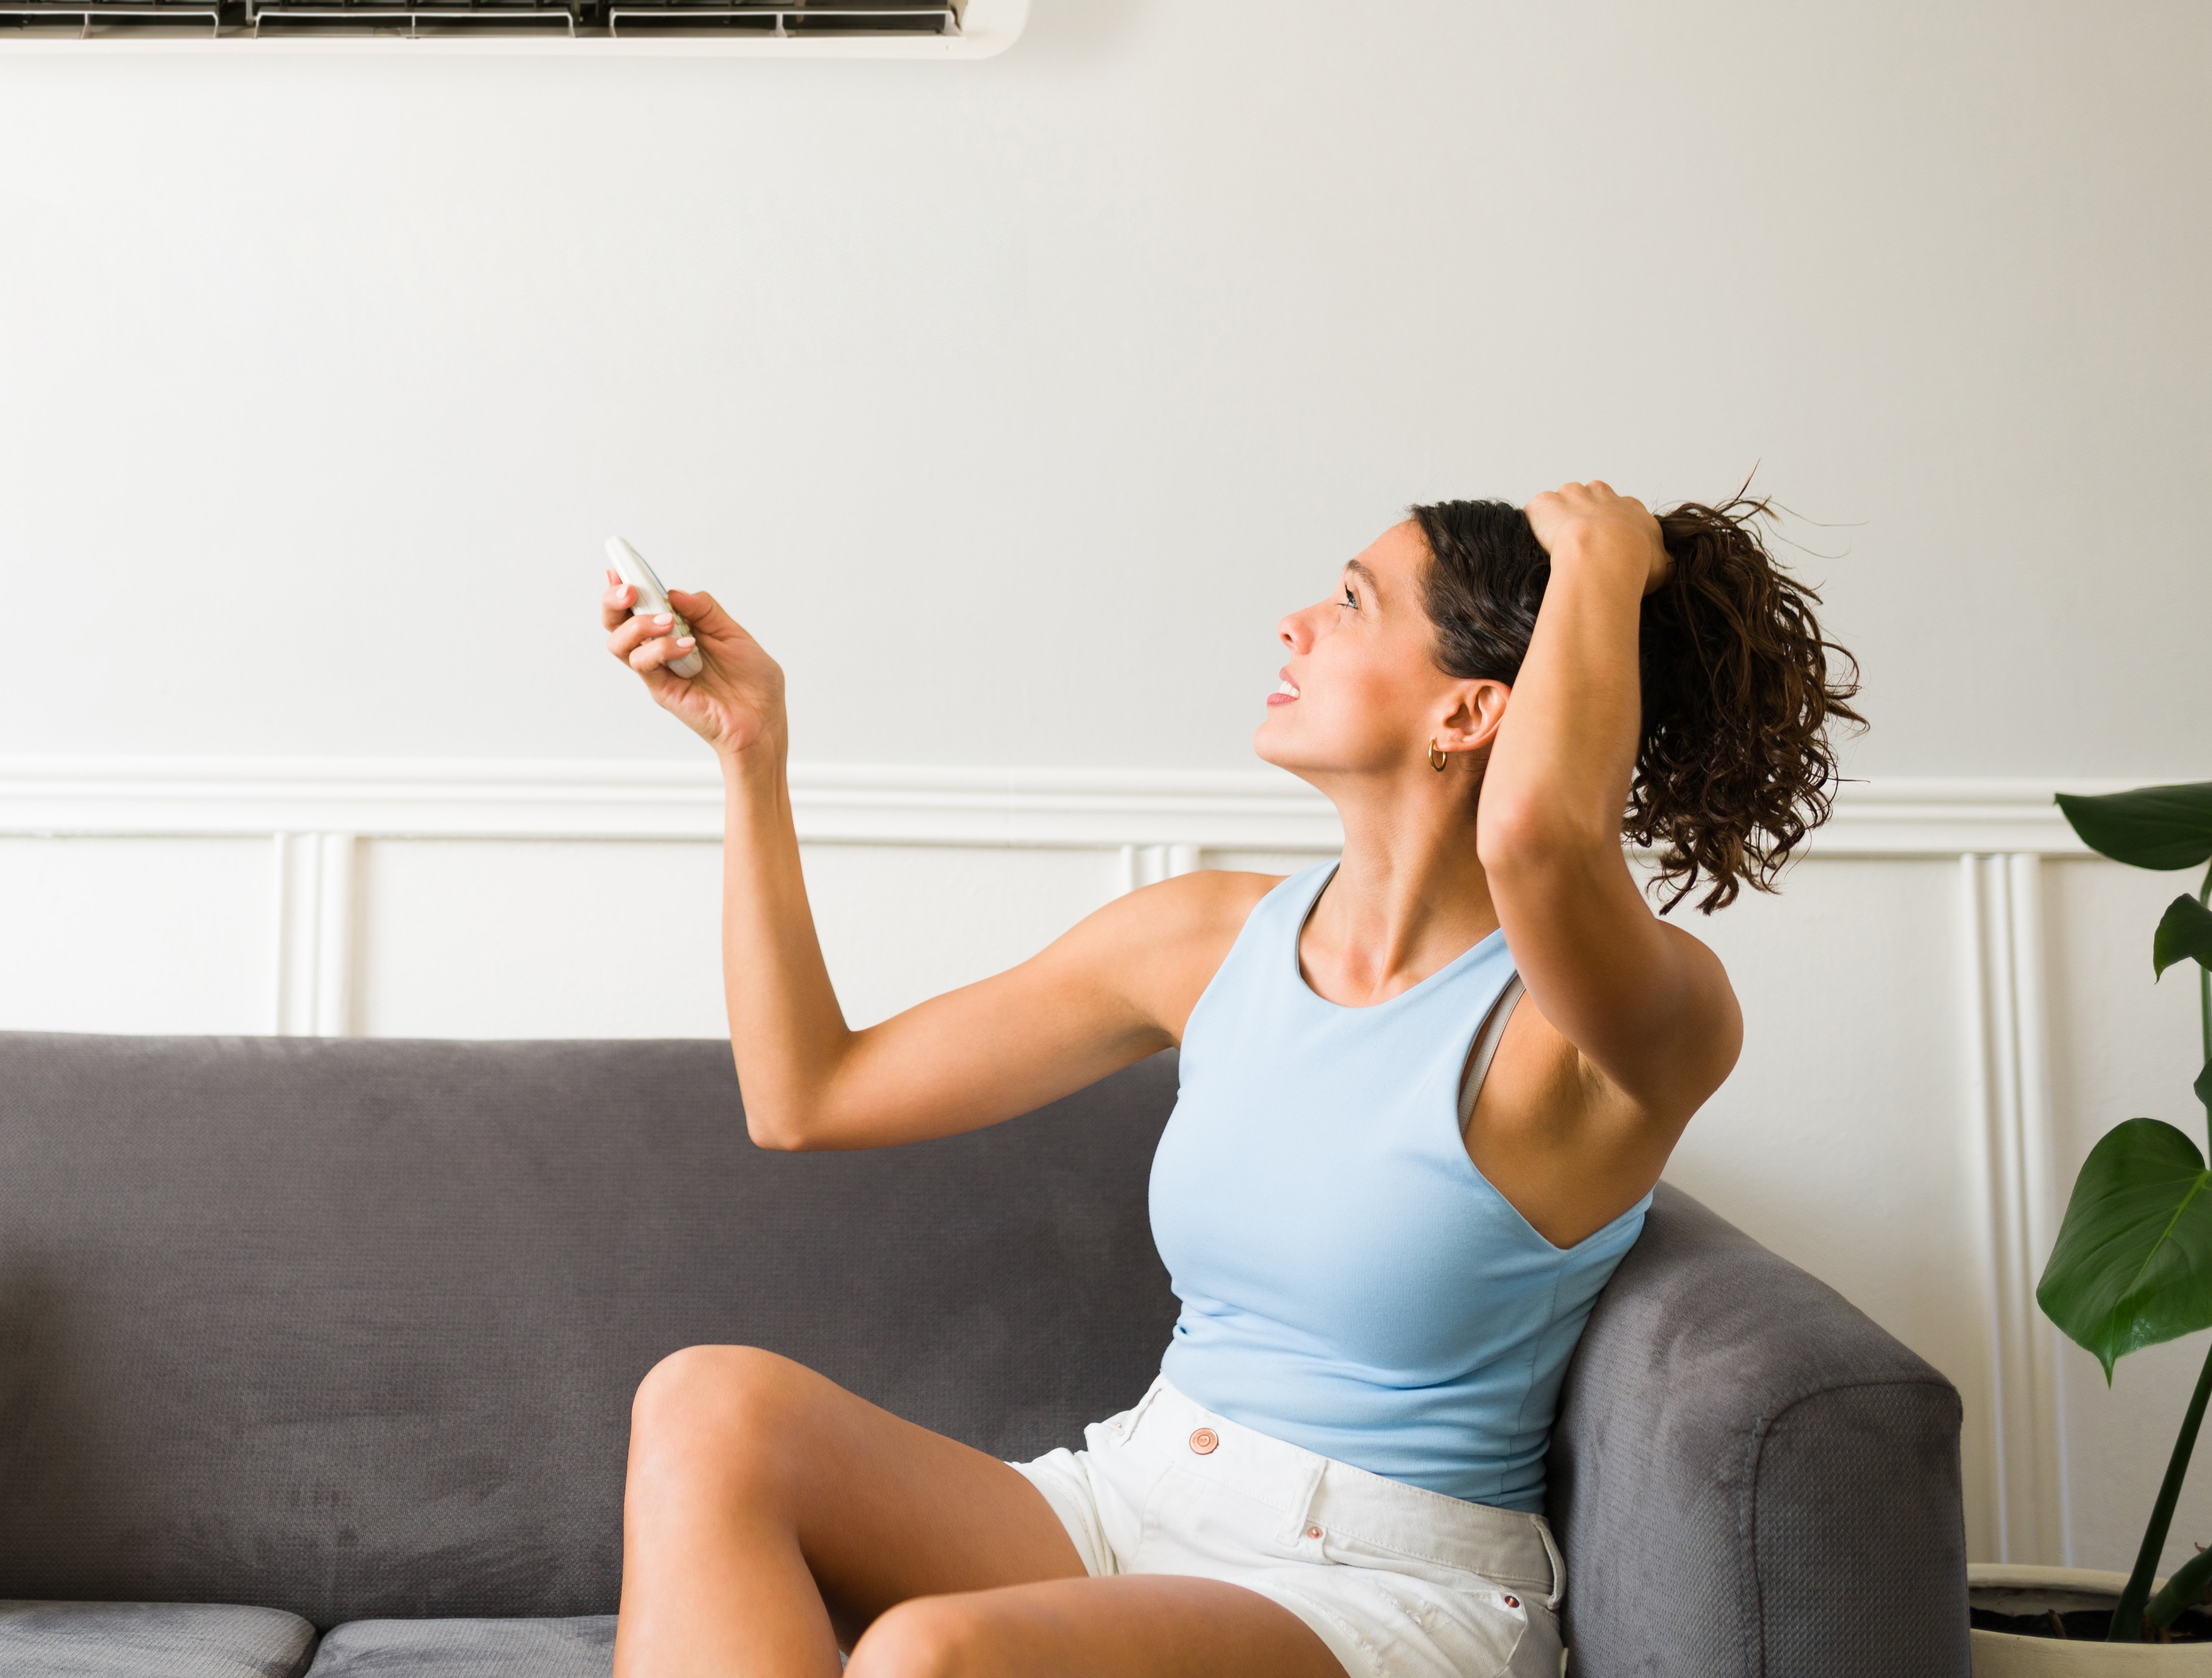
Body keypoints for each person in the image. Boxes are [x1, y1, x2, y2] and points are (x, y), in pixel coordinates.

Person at [594, 483, 1861, 1678]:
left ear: (1468, 714)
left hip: (1376, 1586)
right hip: (1132, 1498)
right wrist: (748, 755)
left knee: (932, 1656)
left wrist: (1600, 551)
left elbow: (1535, 840)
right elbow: (804, 1097)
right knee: (709, 1404)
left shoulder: (1619, 1030)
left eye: (1355, 602)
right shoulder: (1203, 941)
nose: (1296, 623)